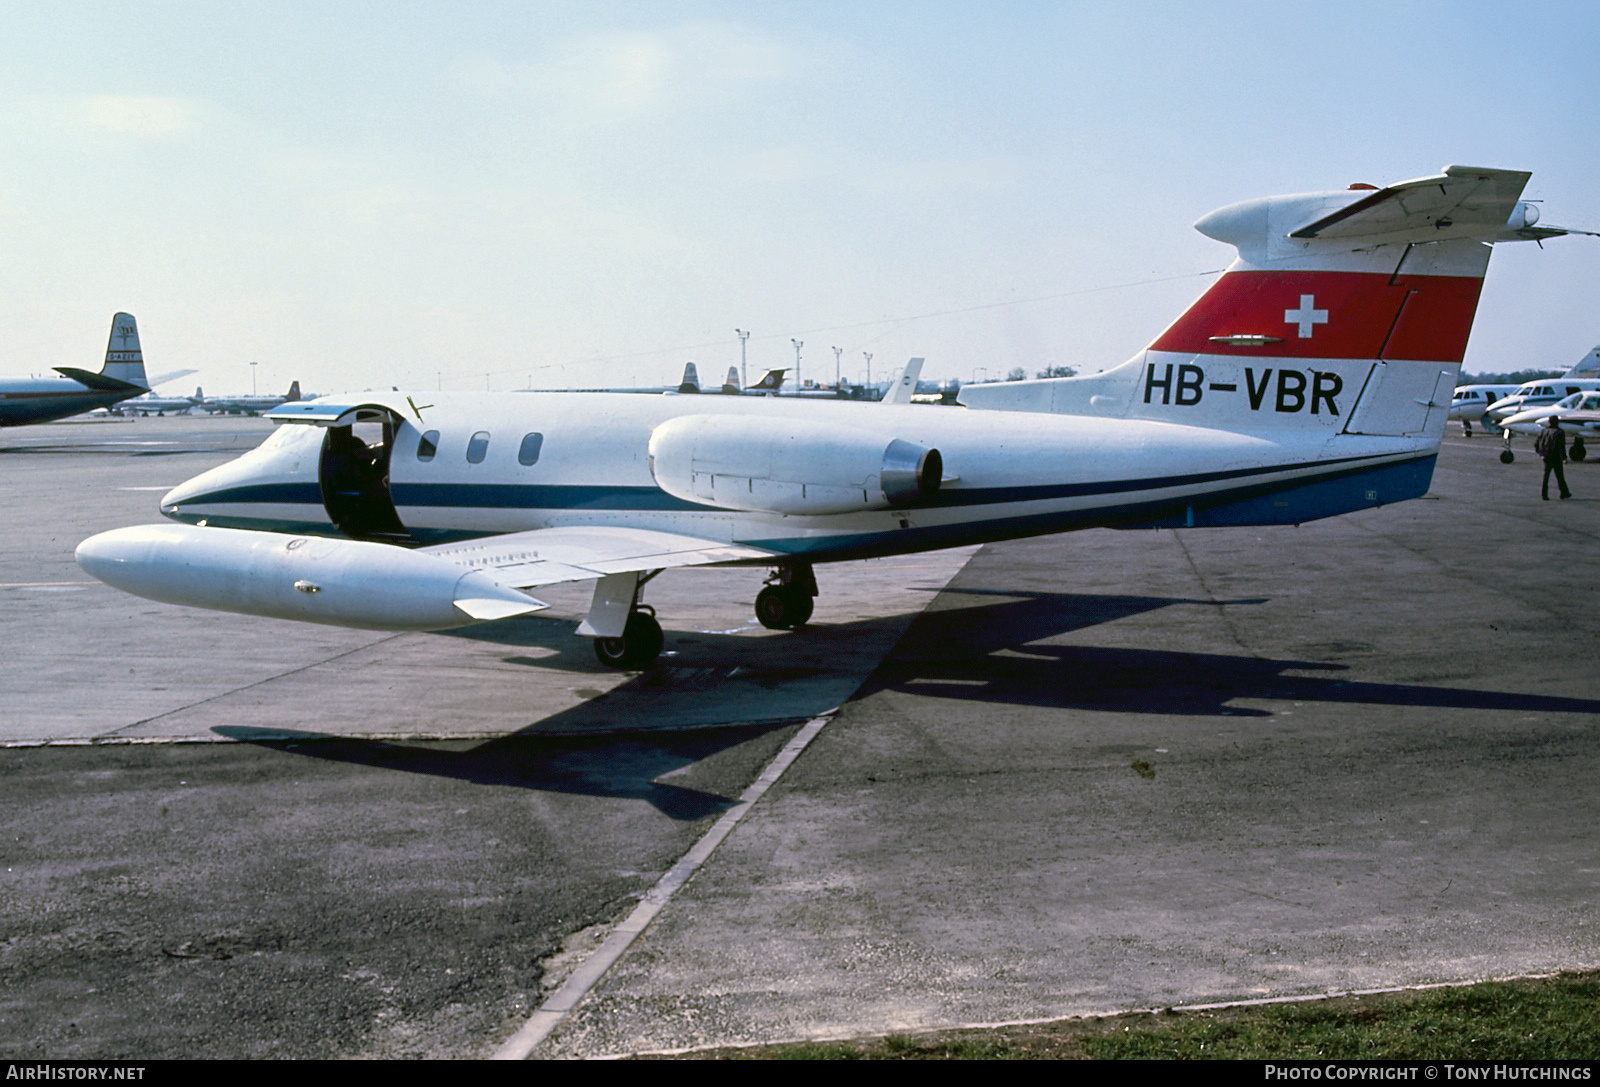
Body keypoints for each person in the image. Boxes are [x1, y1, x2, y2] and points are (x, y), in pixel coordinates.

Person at [1534, 416, 1572, 500]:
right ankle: (1564, 492)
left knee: (1546, 476)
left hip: (1546, 456)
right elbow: (1561, 446)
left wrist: (1540, 453)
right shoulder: (1559, 432)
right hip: (1555, 457)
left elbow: (1536, 443)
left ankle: (1544, 494)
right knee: (1560, 476)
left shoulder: (1543, 431)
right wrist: (1564, 458)